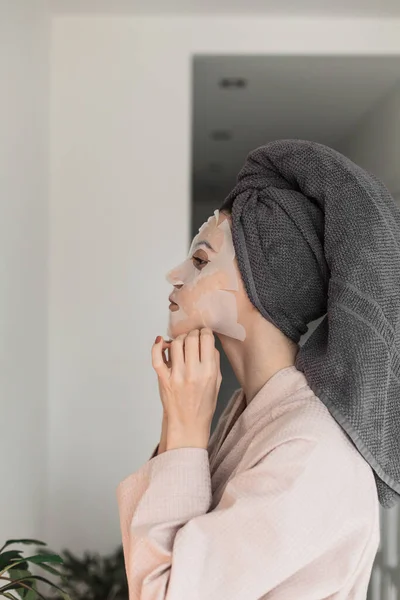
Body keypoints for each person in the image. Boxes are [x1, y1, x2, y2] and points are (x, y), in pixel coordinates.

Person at [116, 204, 380, 599]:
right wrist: (179, 422)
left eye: (201, 259)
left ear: (262, 284)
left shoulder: (311, 451)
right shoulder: (251, 414)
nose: (175, 275)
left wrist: (185, 426)